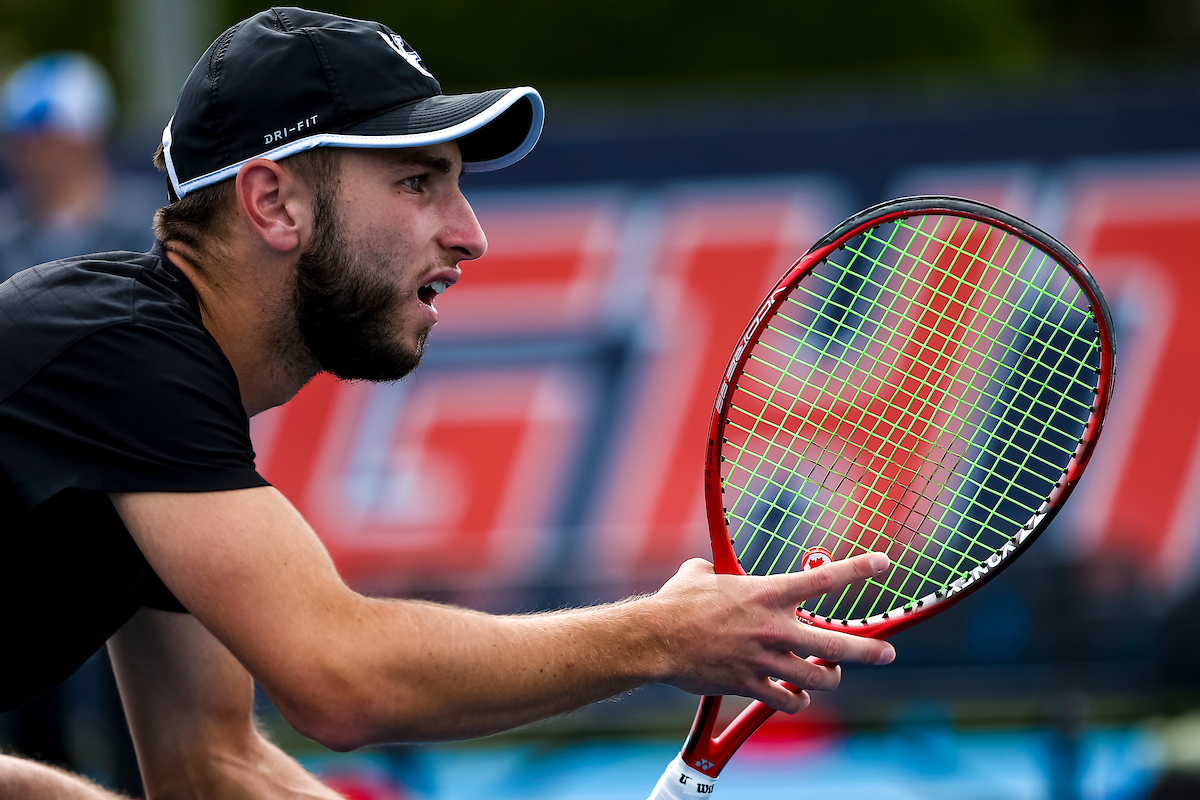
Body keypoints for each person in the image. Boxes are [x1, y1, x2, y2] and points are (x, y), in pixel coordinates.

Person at [0, 8, 896, 798]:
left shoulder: (153, 396)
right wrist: (661, 635)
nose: (470, 234)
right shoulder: (122, 356)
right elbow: (340, 679)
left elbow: (211, 765)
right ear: (273, 203)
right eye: (418, 183)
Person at [0, 52, 160, 281]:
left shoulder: (147, 224)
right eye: (20, 141)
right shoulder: (7, 232)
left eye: (46, 140)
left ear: (87, 141)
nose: (30, 155)